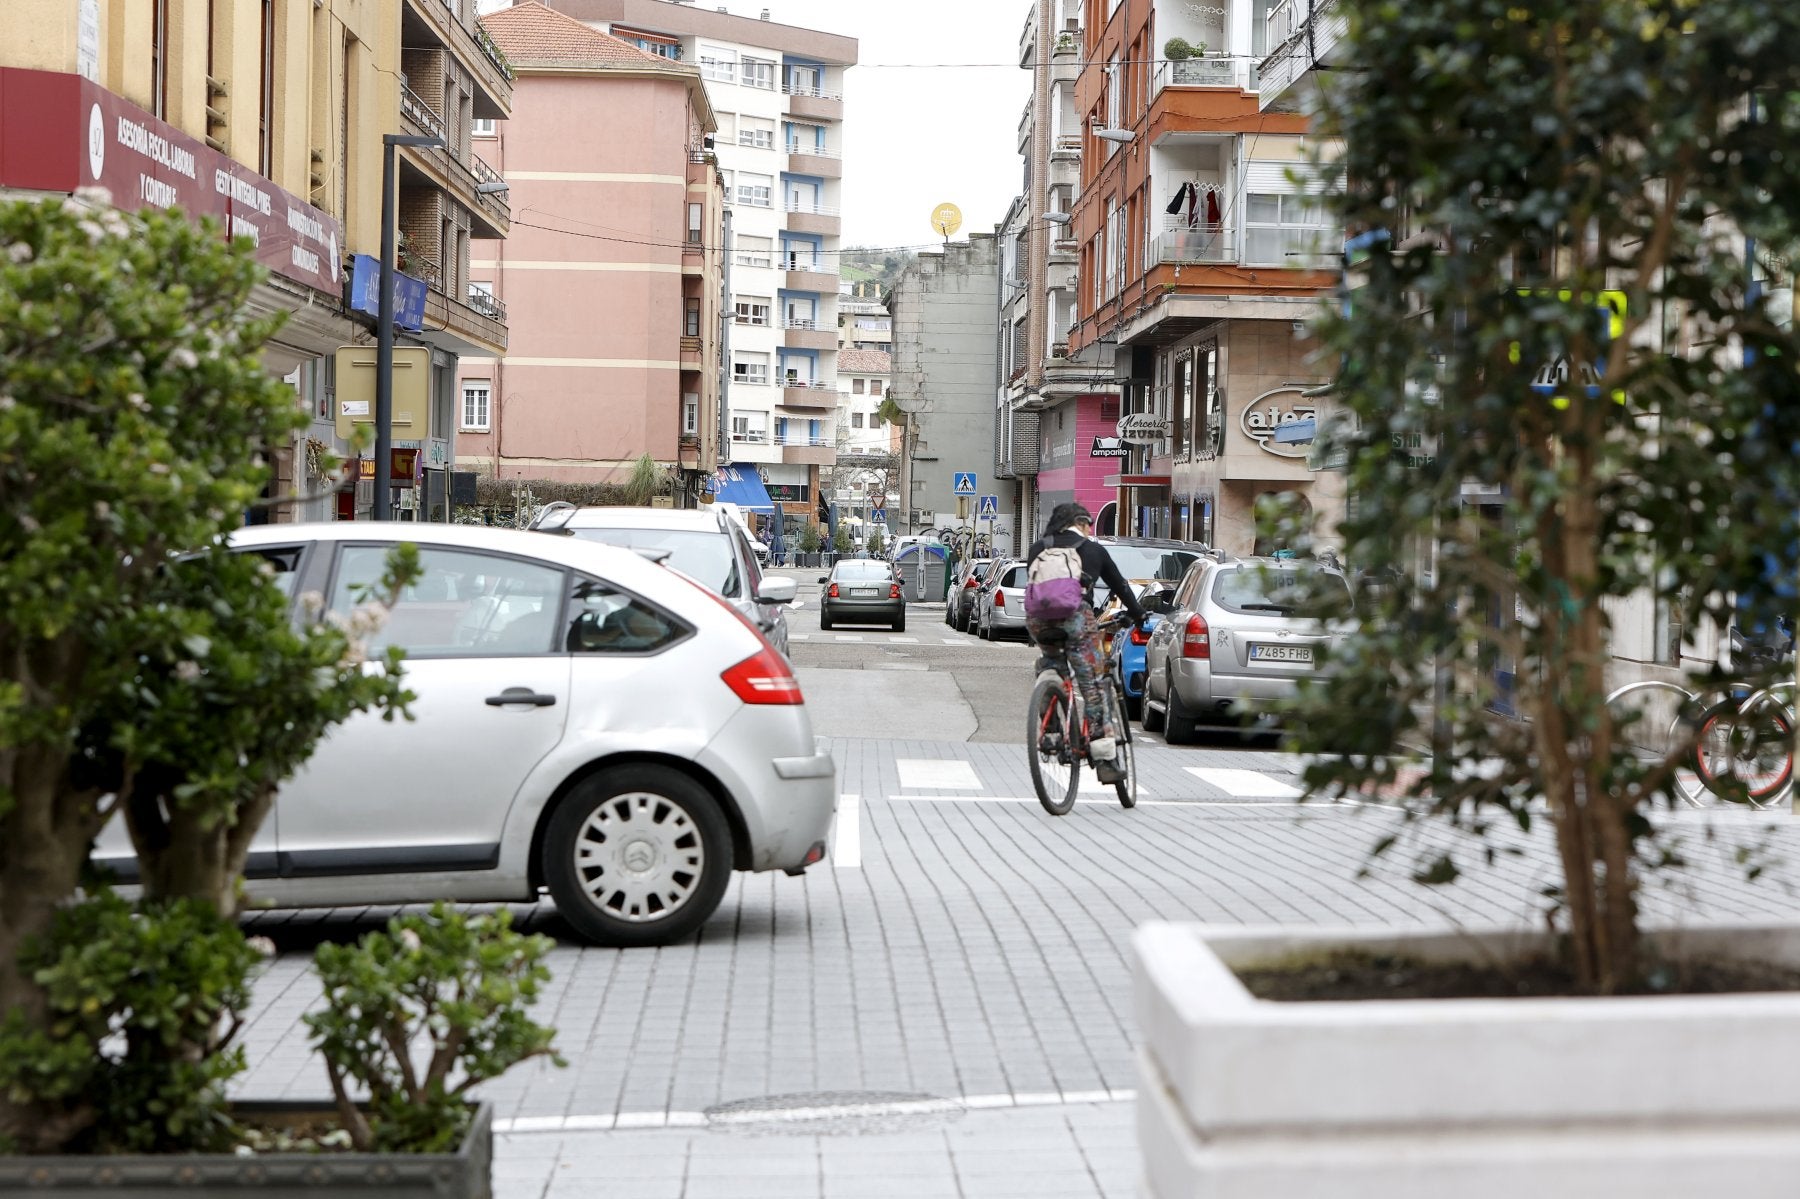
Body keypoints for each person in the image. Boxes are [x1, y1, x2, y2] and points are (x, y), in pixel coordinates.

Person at [1025, 502, 1149, 783]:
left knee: (1051, 664)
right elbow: (1121, 587)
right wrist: (1139, 615)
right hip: (1076, 619)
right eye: (1088, 524)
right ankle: (1105, 758)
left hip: (1038, 620)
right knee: (1092, 685)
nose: (1090, 529)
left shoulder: (1039, 548)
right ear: (1079, 523)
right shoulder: (1093, 550)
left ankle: (1050, 721)